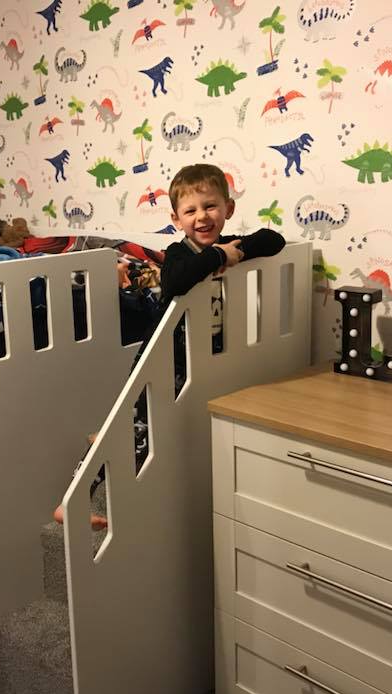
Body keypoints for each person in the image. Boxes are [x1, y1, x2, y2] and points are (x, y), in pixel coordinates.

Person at [53, 163, 285, 529]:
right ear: (176, 219)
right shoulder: (180, 252)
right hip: (162, 360)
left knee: (143, 434)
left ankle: (120, 486)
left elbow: (274, 241)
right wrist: (218, 256)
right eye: (190, 211)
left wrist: (236, 250)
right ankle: (73, 501)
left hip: (196, 362)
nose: (202, 216)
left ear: (228, 209)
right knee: (128, 430)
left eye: (211, 206)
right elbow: (176, 281)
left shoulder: (229, 245)